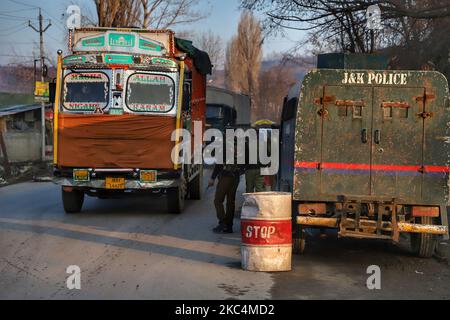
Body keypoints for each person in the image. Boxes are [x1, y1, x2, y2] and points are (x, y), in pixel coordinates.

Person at [208, 163, 243, 233]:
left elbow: (219, 164)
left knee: (218, 200)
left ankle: (223, 222)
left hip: (226, 176)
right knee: (230, 202)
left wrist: (212, 178)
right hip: (235, 177)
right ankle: (229, 226)